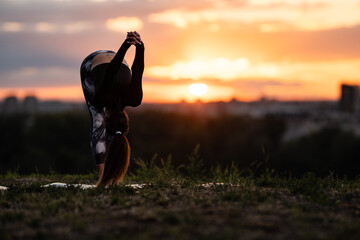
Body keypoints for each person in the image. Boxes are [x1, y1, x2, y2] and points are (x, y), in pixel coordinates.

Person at [80, 31, 144, 186]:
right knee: (97, 119)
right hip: (93, 60)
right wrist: (127, 46)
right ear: (108, 118)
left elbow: (137, 71)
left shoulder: (134, 100)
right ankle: (103, 175)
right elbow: (111, 73)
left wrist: (139, 46)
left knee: (97, 121)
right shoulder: (102, 99)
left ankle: (104, 175)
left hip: (120, 61)